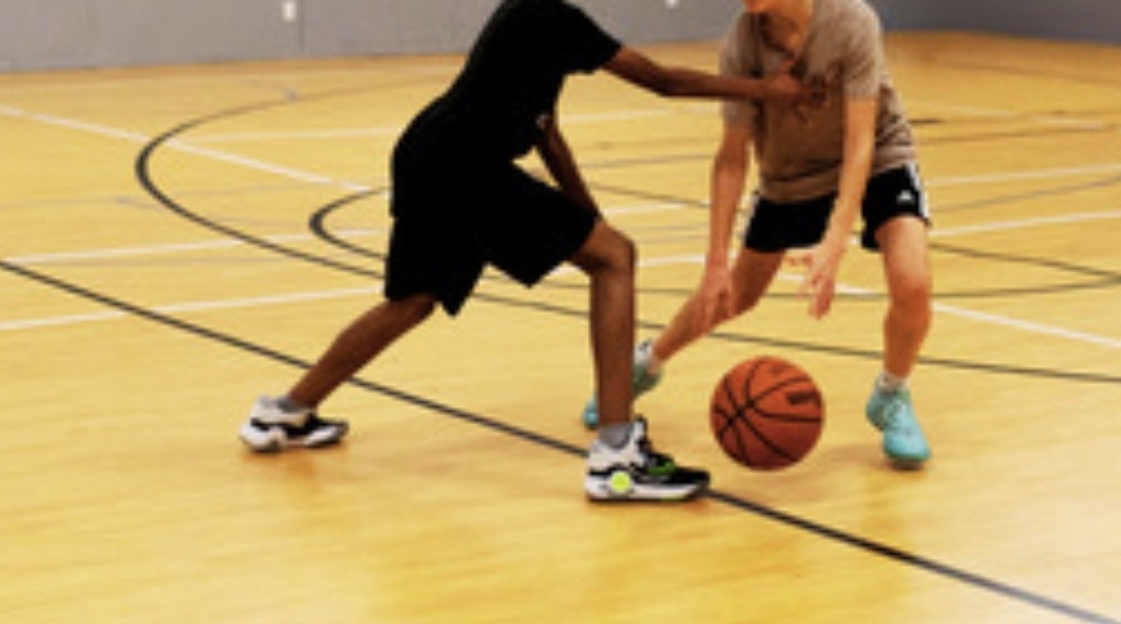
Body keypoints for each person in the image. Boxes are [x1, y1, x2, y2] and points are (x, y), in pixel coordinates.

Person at [238, 0, 807, 500]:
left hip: (428, 154)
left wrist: (591, 219)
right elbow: (663, 81)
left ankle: (283, 413)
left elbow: (546, 133)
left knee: (412, 301)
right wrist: (768, 92)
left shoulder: (526, 19)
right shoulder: (550, 16)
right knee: (615, 259)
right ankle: (617, 459)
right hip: (465, 168)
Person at [582, 0, 933, 469]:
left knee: (913, 283)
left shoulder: (851, 21)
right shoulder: (744, 41)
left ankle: (891, 393)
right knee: (731, 296)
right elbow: (731, 157)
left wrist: (835, 241)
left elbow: (860, 141)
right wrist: (714, 264)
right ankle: (648, 362)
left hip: (880, 159)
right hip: (788, 175)